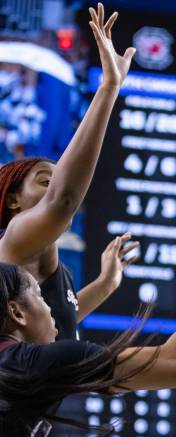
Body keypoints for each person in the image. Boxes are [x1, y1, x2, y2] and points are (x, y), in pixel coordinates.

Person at [0, 216, 176, 437]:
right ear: (17, 313)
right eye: (40, 297)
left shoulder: (17, 364)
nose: (51, 309)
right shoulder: (32, 363)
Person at [0, 3, 135, 340]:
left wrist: (105, 284)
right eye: (47, 181)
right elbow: (64, 200)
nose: (57, 185)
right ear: (13, 200)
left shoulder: (45, 261)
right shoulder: (14, 238)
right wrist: (109, 88)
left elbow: (62, 316)